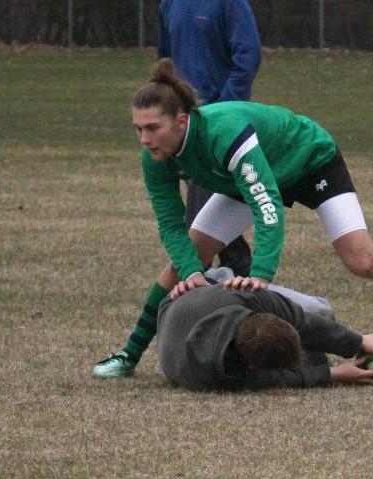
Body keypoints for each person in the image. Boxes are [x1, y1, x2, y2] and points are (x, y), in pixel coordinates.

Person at [133, 59, 373, 336]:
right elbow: (169, 223)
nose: (145, 138)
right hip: (252, 179)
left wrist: (261, 273)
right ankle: (128, 354)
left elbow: (266, 204)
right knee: (184, 262)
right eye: (139, 129)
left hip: (309, 160)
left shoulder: (223, 134)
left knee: (364, 261)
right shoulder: (156, 156)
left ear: (181, 121)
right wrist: (193, 272)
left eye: (153, 128)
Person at [93, 0, 261, 377]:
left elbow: (247, 56)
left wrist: (219, 114)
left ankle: (135, 352)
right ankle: (250, 324)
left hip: (215, 137)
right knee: (203, 246)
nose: (141, 138)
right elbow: (165, 60)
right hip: (179, 132)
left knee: (194, 247)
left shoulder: (229, 3)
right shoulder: (170, 3)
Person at [157, 282, 373, 391]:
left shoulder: (245, 293)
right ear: (251, 366)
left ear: (266, 315)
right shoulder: (223, 377)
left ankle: (217, 273)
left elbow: (302, 321)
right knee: (316, 359)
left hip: (191, 294)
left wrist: (358, 341)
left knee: (316, 311)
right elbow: (280, 378)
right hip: (180, 314)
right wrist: (333, 374)